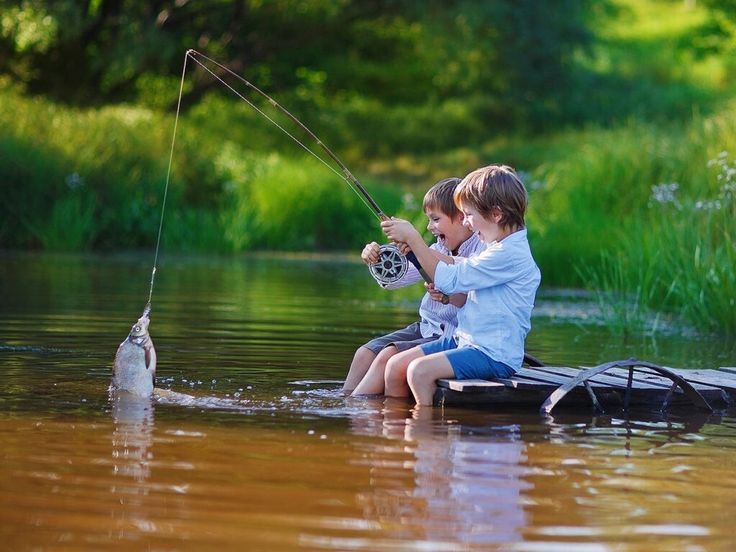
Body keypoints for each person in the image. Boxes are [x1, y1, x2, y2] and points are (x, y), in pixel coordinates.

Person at [380, 164, 541, 406]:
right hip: (465, 340)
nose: (466, 222)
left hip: (492, 353)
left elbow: (450, 278)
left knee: (419, 372)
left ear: (496, 214)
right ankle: (396, 428)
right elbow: (458, 274)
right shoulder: (496, 246)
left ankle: (425, 434)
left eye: (469, 215)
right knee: (395, 365)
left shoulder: (509, 253)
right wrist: (419, 253)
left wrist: (414, 239)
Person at [343, 177, 484, 395]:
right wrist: (378, 257)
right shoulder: (438, 247)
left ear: (461, 217)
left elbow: (462, 270)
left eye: (435, 219)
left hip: (452, 336)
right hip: (426, 327)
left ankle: (357, 412)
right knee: (364, 353)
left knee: (386, 358)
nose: (430, 227)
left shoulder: (481, 249)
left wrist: (416, 244)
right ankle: (344, 402)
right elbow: (394, 281)